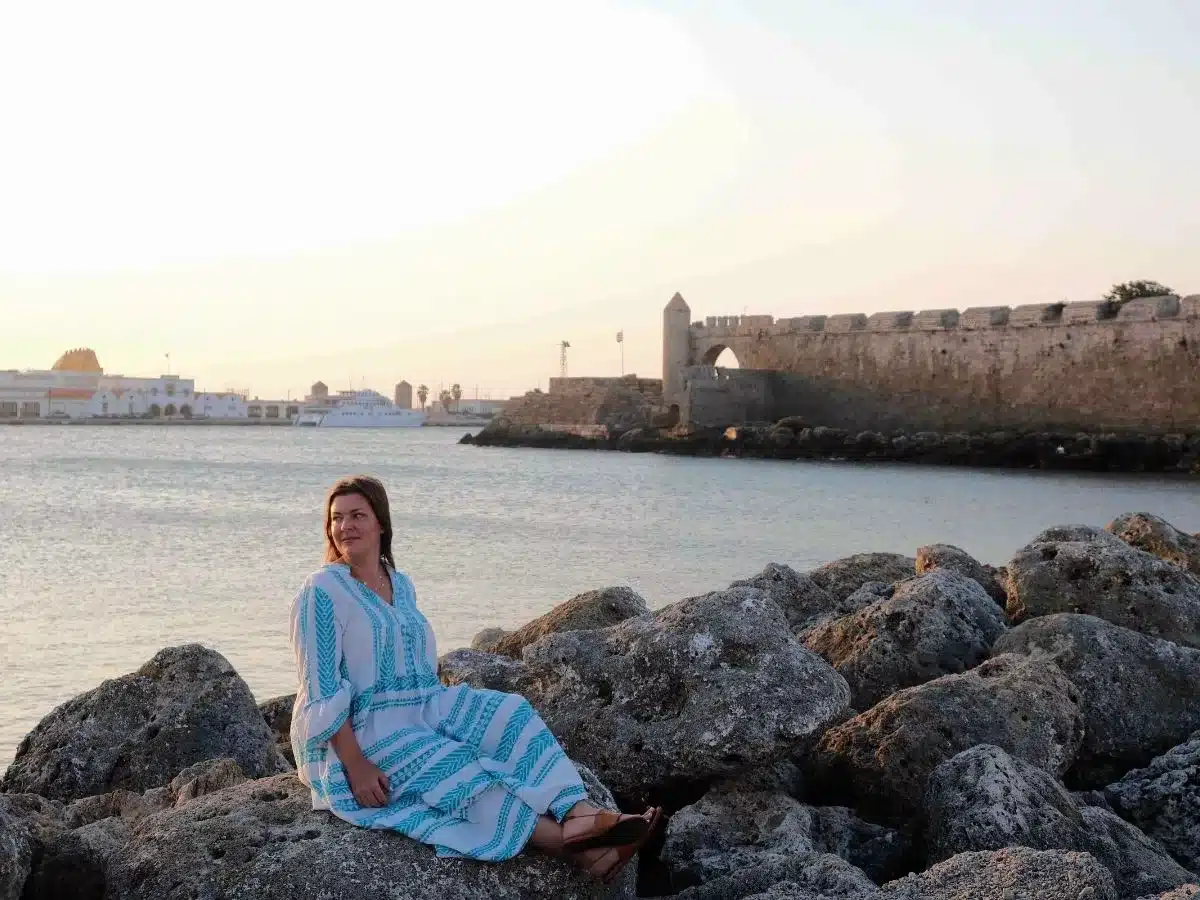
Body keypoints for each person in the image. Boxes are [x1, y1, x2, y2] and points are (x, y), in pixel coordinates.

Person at [289, 475, 661, 883]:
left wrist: (450, 718)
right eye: (336, 518)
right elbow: (321, 690)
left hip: (423, 704)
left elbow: (415, 665)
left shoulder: (402, 584)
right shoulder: (321, 590)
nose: (346, 527)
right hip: (365, 729)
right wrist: (357, 766)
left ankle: (580, 811)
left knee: (509, 711)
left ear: (381, 523)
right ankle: (579, 848)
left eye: (357, 515)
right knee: (459, 768)